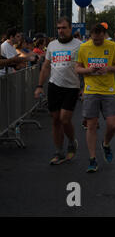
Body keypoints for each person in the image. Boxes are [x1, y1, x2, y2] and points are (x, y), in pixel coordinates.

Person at [75, 23, 115, 173]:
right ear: (91, 36)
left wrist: (108, 68)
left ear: (104, 35)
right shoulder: (83, 47)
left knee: (112, 124)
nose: (97, 42)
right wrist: (88, 70)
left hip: (109, 90)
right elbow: (77, 68)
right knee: (91, 125)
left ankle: (106, 144)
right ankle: (92, 159)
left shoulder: (112, 46)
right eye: (94, 40)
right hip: (91, 90)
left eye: (99, 39)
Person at [34, 17, 82, 165]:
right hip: (54, 86)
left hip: (72, 87)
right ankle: (59, 151)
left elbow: (85, 66)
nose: (61, 30)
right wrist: (40, 85)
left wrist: (85, 87)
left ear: (70, 29)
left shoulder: (80, 45)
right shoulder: (52, 45)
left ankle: (71, 142)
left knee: (64, 119)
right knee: (55, 120)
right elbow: (46, 66)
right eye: (59, 28)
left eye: (64, 28)